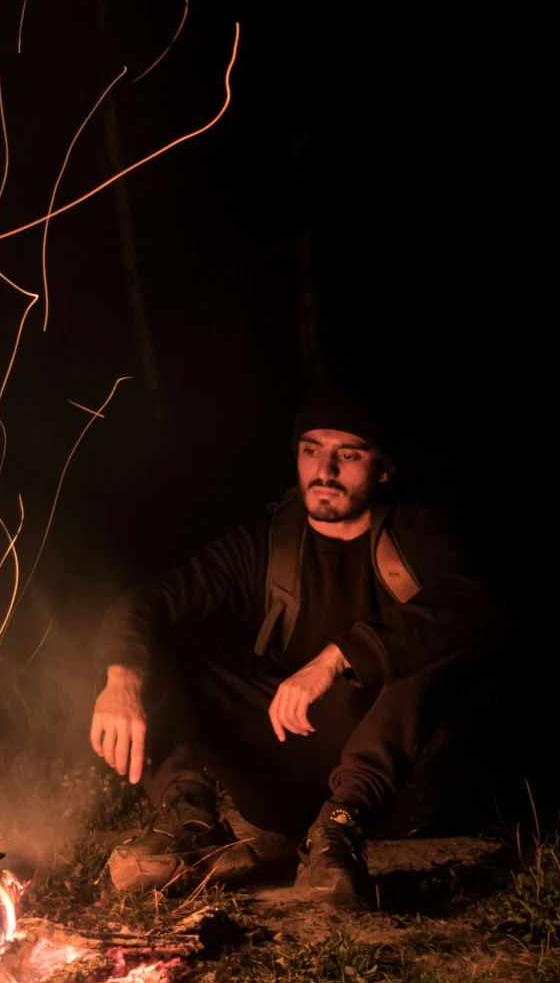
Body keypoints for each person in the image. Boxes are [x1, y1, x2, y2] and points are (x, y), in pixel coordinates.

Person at [88, 385, 493, 909]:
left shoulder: (417, 533)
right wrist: (122, 678)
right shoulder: (266, 544)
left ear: (384, 469)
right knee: (145, 649)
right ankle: (190, 823)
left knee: (432, 643)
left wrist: (338, 656)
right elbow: (145, 602)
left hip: (395, 787)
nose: (324, 469)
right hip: (283, 771)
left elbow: (472, 602)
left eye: (348, 454)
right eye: (311, 450)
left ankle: (337, 835)